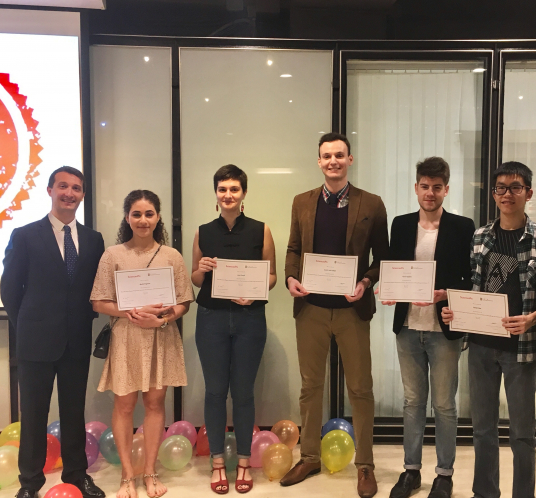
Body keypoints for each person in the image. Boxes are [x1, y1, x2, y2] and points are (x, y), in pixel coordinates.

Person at [281, 132, 389, 498]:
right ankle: (309, 456)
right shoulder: (302, 202)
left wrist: (365, 282)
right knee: (310, 386)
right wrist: (291, 277)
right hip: (311, 308)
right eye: (326, 156)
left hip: (351, 309)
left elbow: (382, 258)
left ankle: (365, 465)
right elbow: (294, 248)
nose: (333, 162)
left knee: (361, 388)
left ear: (350, 159)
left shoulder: (371, 204)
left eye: (339, 155)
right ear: (318, 161)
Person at [442, 161, 536, 498]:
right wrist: (455, 313)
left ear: (528, 193)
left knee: (522, 434)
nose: (507, 194)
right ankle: (485, 493)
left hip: (522, 347)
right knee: (483, 430)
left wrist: (533, 318)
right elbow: (473, 288)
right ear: (493, 194)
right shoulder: (479, 237)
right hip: (480, 346)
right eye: (501, 187)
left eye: (515, 187)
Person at [1, 166, 106, 498]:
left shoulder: (93, 239)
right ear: (49, 190)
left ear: (82, 195)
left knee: (74, 411)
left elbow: (96, 289)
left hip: (76, 340)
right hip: (35, 342)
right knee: (33, 414)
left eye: (76, 188)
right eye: (63, 186)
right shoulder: (25, 234)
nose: (69, 193)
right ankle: (30, 483)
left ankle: (77, 475)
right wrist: (28, 325)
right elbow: (9, 289)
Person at [382, 157, 475, 498]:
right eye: (425, 186)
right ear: (416, 188)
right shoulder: (402, 224)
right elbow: (392, 265)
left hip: (443, 329)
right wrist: (388, 290)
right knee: (412, 402)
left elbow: (470, 276)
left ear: (446, 189)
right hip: (407, 327)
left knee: (445, 404)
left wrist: (447, 294)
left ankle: (444, 474)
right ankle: (411, 471)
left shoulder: (464, 227)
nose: (430, 193)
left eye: (437, 187)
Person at [90, 190, 193, 498]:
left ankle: (149, 472)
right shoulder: (112, 255)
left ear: (158, 217)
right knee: (124, 405)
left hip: (160, 336)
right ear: (127, 218)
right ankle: (126, 475)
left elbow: (185, 302)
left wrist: (162, 319)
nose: (143, 220)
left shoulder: (171, 256)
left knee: (154, 404)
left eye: (149, 214)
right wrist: (129, 311)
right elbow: (98, 301)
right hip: (126, 337)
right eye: (136, 214)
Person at [191, 164, 277, 495]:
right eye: (222, 189)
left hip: (249, 319)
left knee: (243, 393)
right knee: (214, 391)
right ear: (216, 194)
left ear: (243, 194)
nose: (228, 195)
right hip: (211, 317)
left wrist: (254, 291)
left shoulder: (261, 230)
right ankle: (216, 463)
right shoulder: (203, 231)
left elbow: (271, 276)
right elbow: (196, 279)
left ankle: (242, 462)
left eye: (234, 189)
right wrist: (200, 268)